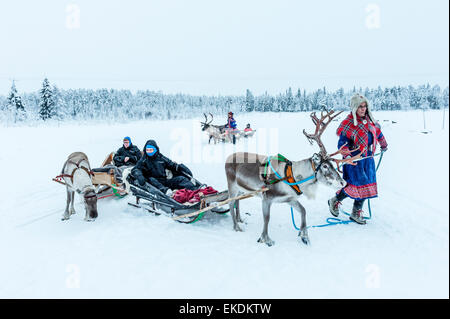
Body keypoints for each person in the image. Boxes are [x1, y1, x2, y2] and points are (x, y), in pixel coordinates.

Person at [328, 94, 388, 224]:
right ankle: (335, 200)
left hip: (368, 160)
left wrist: (383, 144)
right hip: (354, 161)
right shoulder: (348, 124)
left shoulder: (370, 121)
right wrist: (348, 156)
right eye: (360, 106)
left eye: (365, 106)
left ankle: (355, 212)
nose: (363, 109)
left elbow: (378, 133)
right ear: (354, 107)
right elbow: (342, 144)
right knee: (354, 186)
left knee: (366, 186)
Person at [131, 139, 197, 196]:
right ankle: (167, 192)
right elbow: (136, 169)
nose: (149, 152)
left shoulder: (161, 158)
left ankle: (195, 190)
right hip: (153, 184)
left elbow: (171, 164)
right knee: (151, 179)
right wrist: (139, 175)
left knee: (180, 179)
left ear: (155, 149)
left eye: (151, 150)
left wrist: (180, 167)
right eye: (147, 150)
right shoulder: (144, 160)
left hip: (164, 181)